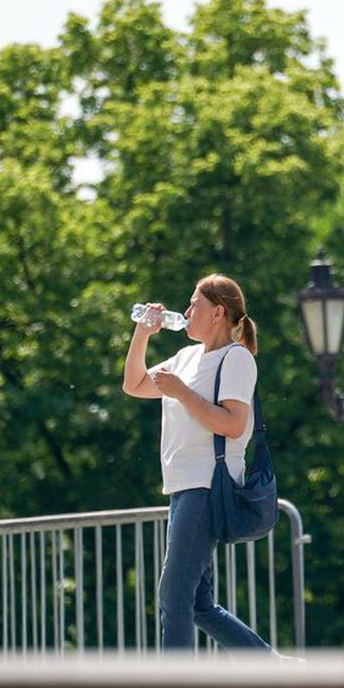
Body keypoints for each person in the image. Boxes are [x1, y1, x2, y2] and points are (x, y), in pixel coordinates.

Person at [123, 274, 270, 651]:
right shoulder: (187, 357)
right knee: (200, 605)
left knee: (173, 596)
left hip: (206, 485)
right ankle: (272, 666)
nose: (186, 312)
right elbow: (134, 384)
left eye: (194, 305)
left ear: (217, 312)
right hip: (182, 486)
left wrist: (183, 393)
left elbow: (236, 426)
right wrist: (143, 333)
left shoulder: (236, 358)